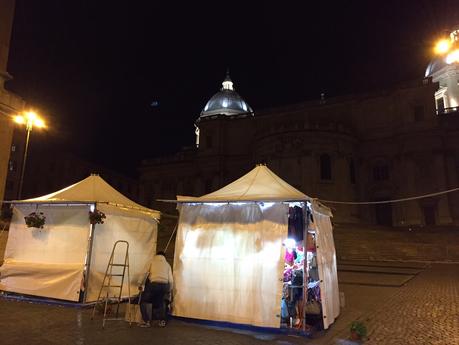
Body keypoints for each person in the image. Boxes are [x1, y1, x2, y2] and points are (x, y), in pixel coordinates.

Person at [138, 251, 173, 327]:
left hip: (154, 284)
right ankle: (162, 321)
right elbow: (171, 280)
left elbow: (144, 273)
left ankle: (147, 321)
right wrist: (169, 290)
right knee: (162, 302)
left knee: (144, 301)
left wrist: (140, 283)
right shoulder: (167, 264)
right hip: (165, 285)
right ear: (164, 257)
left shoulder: (151, 261)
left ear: (156, 255)